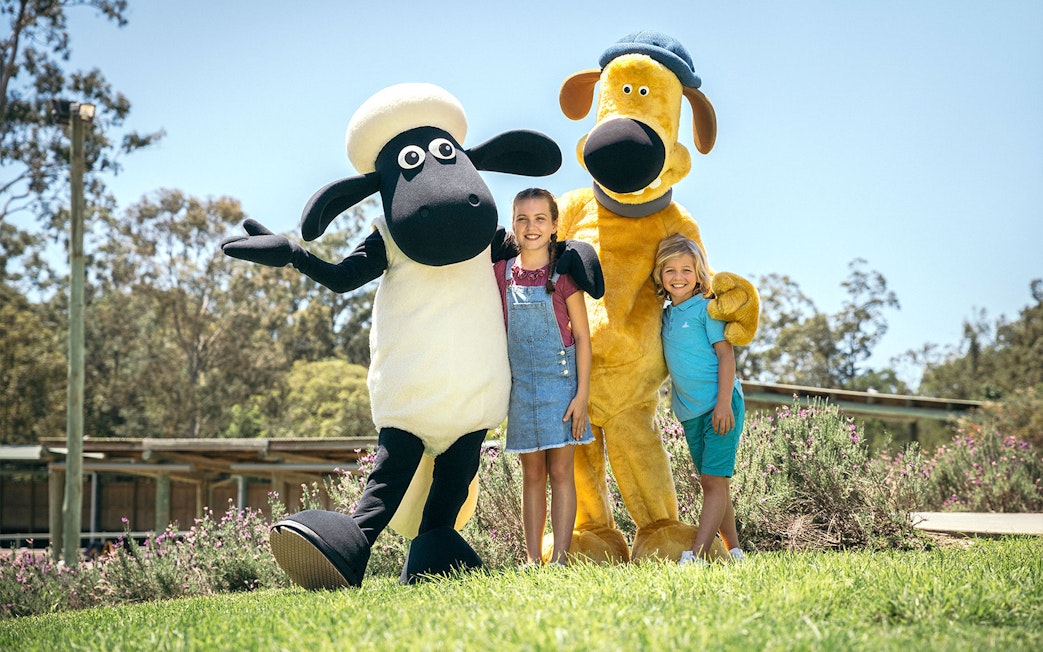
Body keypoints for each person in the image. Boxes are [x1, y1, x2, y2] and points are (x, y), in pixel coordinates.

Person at [494, 187, 594, 566]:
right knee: (532, 474)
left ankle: (561, 559)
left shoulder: (565, 275)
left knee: (561, 472)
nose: (531, 226)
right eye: (522, 218)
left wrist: (581, 395)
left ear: (554, 225)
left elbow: (583, 338)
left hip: (563, 385)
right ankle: (532, 559)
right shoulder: (500, 274)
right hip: (521, 388)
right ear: (514, 225)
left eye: (539, 219)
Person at [652, 233, 747, 564]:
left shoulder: (707, 310)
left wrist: (723, 403)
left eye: (686, 270)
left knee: (712, 481)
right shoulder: (664, 316)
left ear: (699, 274)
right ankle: (735, 552)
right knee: (715, 483)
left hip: (721, 406)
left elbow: (726, 357)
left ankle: (696, 555)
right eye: (670, 271)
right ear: (660, 275)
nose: (678, 277)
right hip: (690, 413)